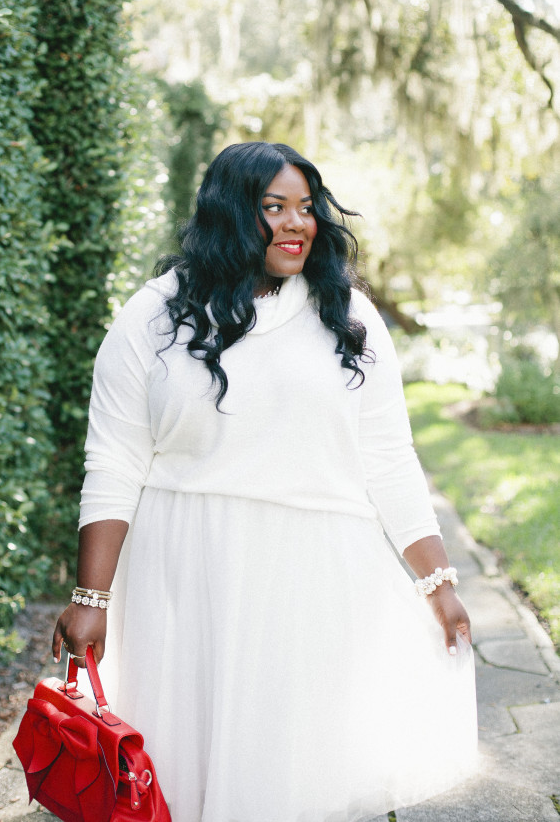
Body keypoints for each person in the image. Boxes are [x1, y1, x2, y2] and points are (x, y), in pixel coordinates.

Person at [52, 141, 477, 822]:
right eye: (273, 207)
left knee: (288, 772)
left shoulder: (352, 322)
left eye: (306, 207)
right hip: (182, 576)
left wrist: (440, 585)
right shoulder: (151, 318)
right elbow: (114, 459)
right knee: (183, 775)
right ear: (228, 215)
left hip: (307, 583)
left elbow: (390, 460)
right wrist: (90, 595)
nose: (296, 223)